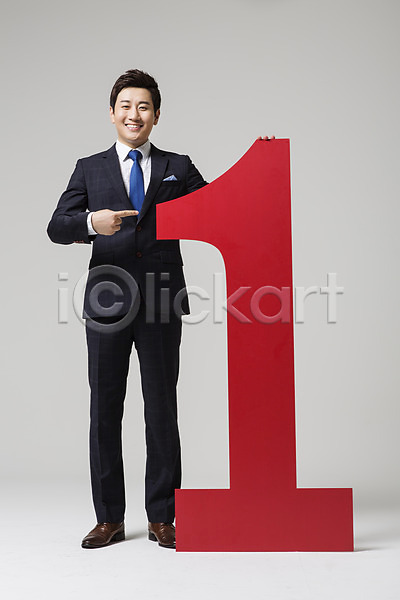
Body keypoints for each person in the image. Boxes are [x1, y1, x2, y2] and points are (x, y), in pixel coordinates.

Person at [47, 69, 208, 549]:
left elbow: (216, 207)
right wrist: (90, 222)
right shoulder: (89, 168)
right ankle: (109, 519)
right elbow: (57, 226)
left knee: (162, 409)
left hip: (162, 299)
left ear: (156, 115)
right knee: (104, 410)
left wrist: (261, 158)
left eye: (143, 107)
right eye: (126, 106)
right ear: (112, 113)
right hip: (107, 301)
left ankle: (162, 517)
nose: (134, 114)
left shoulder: (178, 165)